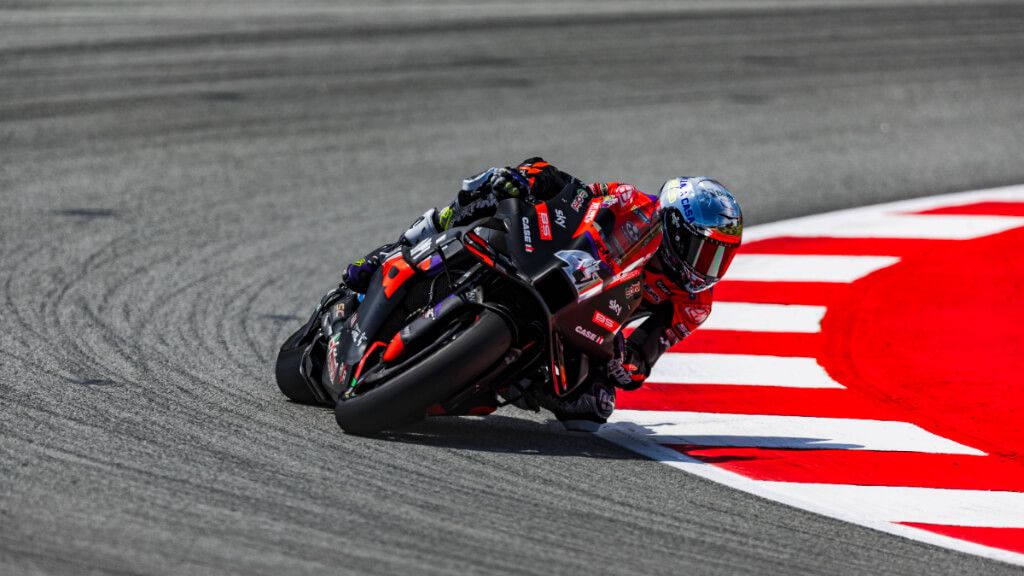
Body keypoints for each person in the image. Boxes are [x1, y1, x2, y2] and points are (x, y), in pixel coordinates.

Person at [329, 158, 743, 431]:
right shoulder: (632, 203)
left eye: (719, 256)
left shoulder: (693, 304)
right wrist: (528, 178)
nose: (706, 266)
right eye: (702, 249)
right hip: (556, 263)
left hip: (588, 324)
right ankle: (395, 252)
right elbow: (573, 189)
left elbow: (644, 357)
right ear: (670, 225)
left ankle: (480, 380)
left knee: (594, 408)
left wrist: (623, 362)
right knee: (486, 197)